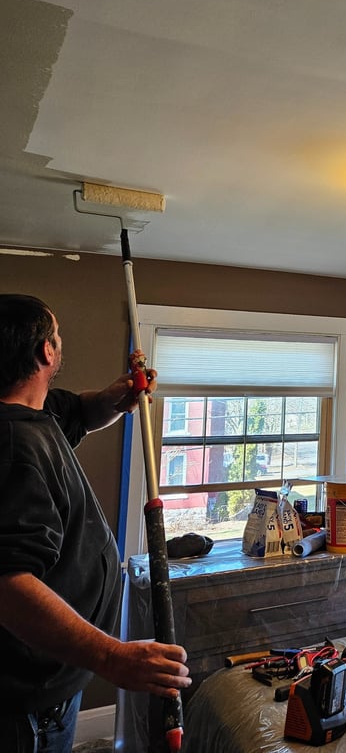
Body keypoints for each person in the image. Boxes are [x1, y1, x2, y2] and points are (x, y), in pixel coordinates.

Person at [0, 294, 191, 752]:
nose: (60, 341)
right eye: (57, 334)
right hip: (28, 707)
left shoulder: (34, 412)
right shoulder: (14, 446)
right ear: (46, 351)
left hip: (51, 680)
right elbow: (7, 585)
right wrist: (112, 657)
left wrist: (116, 399)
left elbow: (80, 412)